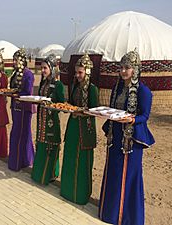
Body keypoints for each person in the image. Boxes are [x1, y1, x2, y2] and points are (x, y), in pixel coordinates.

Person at [98, 50, 155, 225]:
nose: (123, 71)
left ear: (135, 69)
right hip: (115, 138)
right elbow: (112, 109)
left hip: (131, 142)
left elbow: (145, 116)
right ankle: (110, 214)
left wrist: (132, 119)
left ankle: (128, 217)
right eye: (121, 68)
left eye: (127, 68)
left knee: (129, 176)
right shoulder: (117, 88)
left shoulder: (143, 91)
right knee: (113, 173)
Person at [60, 53, 99, 205]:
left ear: (87, 71)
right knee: (70, 155)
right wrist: (67, 107)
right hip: (73, 125)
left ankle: (80, 195)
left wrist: (81, 111)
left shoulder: (93, 89)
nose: (77, 75)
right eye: (76, 72)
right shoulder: (74, 85)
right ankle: (68, 191)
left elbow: (94, 111)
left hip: (86, 129)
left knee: (82, 160)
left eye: (80, 72)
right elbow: (70, 102)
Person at [31, 54, 65, 185]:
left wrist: (50, 104)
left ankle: (50, 174)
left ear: (51, 68)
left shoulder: (58, 85)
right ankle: (39, 174)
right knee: (41, 143)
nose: (43, 71)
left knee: (51, 145)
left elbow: (62, 104)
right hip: (41, 120)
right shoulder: (43, 83)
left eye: (45, 68)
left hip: (51, 121)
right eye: (42, 68)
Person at [8, 48, 35, 171]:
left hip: (25, 108)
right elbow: (13, 87)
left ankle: (20, 162)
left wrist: (16, 94)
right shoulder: (14, 73)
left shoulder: (28, 74)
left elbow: (28, 92)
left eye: (16, 60)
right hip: (15, 106)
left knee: (21, 133)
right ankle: (22, 160)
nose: (14, 62)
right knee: (17, 132)